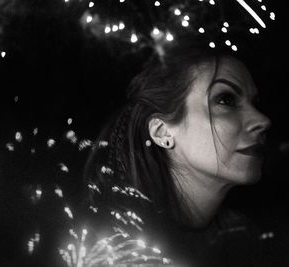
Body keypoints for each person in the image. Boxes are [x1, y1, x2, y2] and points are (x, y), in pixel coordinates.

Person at [83, 42, 272, 266]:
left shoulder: (241, 235)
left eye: (255, 103)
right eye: (225, 100)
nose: (263, 120)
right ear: (162, 132)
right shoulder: (120, 252)